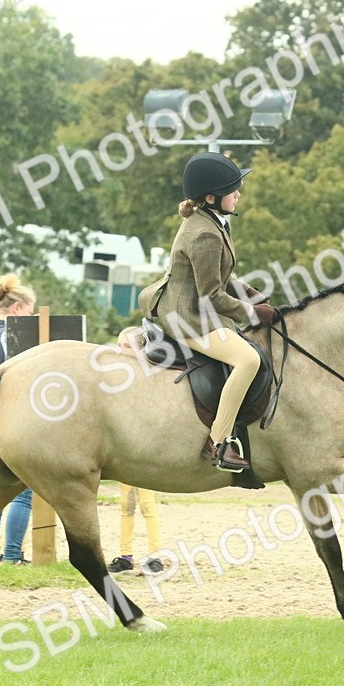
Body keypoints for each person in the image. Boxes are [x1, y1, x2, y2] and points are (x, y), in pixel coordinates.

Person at [138, 152, 277, 472]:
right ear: (212, 197)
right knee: (248, 359)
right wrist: (252, 314)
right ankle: (218, 441)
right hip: (186, 315)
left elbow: (221, 276)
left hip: (193, 304)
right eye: (233, 189)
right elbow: (211, 294)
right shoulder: (204, 233)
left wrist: (251, 294)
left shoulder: (210, 221)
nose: (239, 193)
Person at [0, 273, 36, 566]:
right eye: (30, 311)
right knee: (23, 494)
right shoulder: (12, 337)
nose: (32, 316)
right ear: (16, 310)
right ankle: (13, 555)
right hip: (12, 421)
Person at [107, 327, 164, 575]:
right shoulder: (116, 377)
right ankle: (125, 555)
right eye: (119, 345)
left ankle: (155, 556)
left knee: (147, 505)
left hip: (145, 451)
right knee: (125, 505)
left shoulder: (151, 376)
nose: (121, 351)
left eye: (128, 346)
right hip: (123, 450)